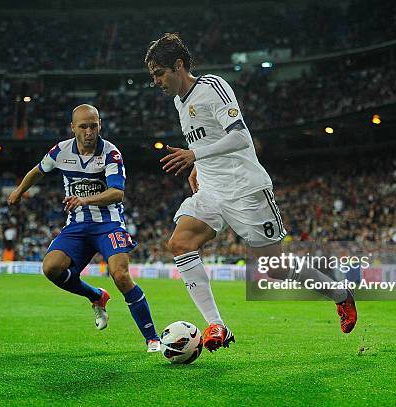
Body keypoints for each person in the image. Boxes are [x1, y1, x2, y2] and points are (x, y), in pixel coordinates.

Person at [145, 33, 357, 352]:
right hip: (212, 190)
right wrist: (197, 166)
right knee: (179, 243)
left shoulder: (212, 87)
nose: (157, 81)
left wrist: (195, 157)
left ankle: (340, 295)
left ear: (178, 66)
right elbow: (203, 141)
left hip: (246, 188)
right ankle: (217, 325)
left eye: (159, 73)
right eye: (153, 76)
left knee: (275, 268)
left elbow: (241, 138)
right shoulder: (179, 101)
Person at [7, 104, 160, 353]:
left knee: (120, 275)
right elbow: (38, 170)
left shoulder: (110, 153)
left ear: (100, 125)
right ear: (73, 128)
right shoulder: (60, 151)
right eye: (84, 126)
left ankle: (152, 338)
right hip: (77, 225)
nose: (90, 131)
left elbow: (117, 193)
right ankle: (96, 296)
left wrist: (85, 200)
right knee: (51, 268)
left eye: (94, 126)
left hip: (108, 223)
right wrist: (19, 191)